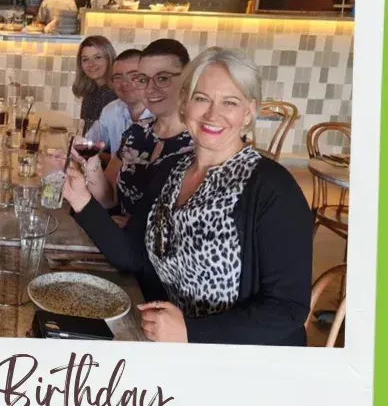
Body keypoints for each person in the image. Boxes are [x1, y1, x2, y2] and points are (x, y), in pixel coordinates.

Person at [63, 46, 312, 346]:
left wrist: (191, 332)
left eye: (229, 102)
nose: (212, 114)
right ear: (185, 104)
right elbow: (133, 257)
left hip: (242, 361)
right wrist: (81, 200)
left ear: (249, 113)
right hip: (166, 344)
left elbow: (288, 309)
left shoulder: (271, 188)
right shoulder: (171, 171)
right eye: (201, 98)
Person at [81, 39, 194, 219]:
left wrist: (136, 228)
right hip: (122, 242)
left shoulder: (201, 142)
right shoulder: (137, 132)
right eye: (143, 79)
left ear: (187, 80)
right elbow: (108, 198)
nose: (150, 88)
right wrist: (89, 162)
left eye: (163, 78)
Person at [84, 48, 153, 155]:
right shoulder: (110, 111)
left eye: (134, 76)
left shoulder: (164, 116)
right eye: (118, 77)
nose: (125, 83)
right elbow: (89, 145)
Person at [71, 36, 117, 134]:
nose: (91, 64)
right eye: (85, 59)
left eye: (98, 57)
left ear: (109, 59)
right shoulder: (90, 92)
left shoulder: (115, 94)